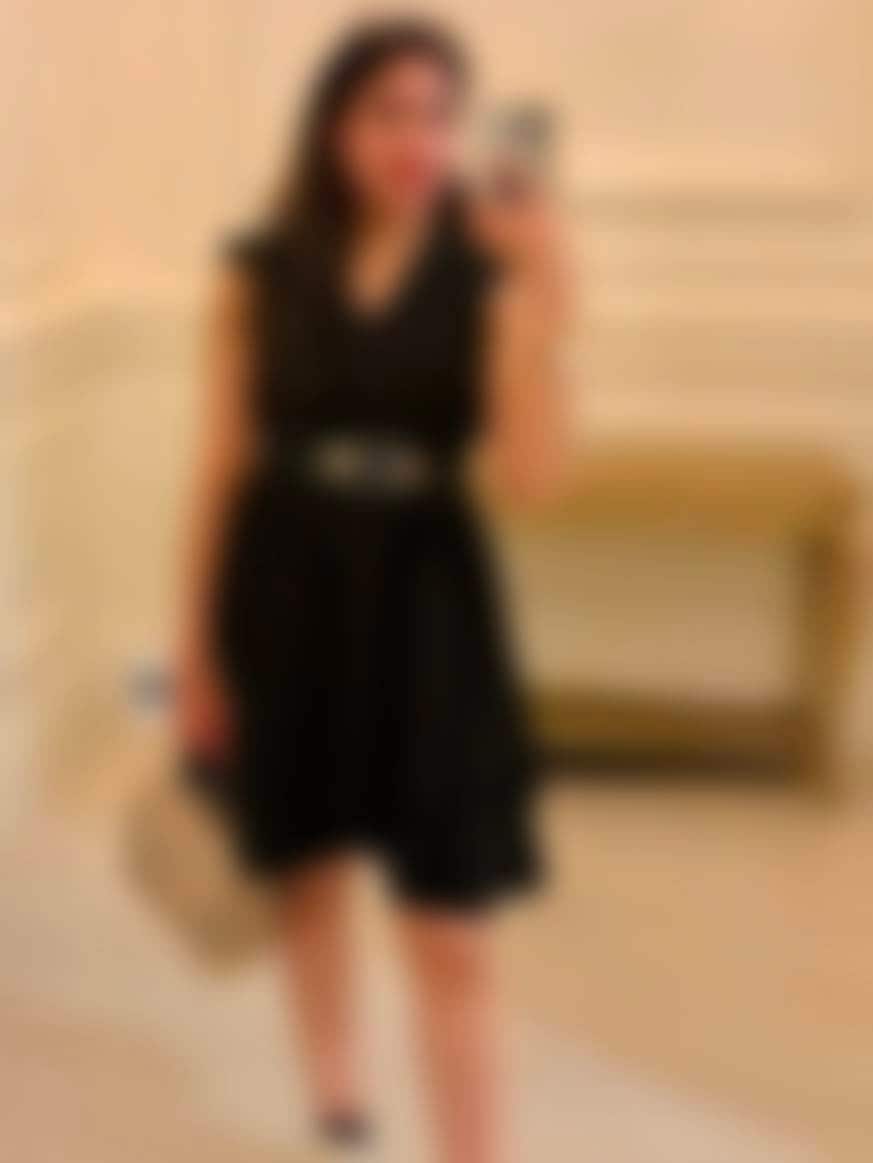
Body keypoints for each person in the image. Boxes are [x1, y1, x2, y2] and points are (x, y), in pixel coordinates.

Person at [176, 18, 567, 1163]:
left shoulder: (485, 277)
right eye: (388, 111)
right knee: (308, 871)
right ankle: (338, 1102)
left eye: (439, 115)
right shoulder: (259, 272)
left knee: (451, 927)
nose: (417, 140)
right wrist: (195, 651)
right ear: (334, 128)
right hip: (283, 585)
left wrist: (545, 294)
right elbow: (219, 466)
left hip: (428, 602)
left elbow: (531, 478)